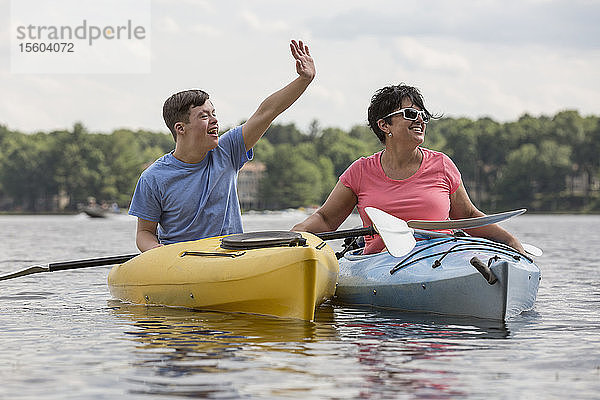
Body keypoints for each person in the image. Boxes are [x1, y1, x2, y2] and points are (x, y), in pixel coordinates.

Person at [292, 84, 525, 255]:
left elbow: (469, 217)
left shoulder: (443, 165)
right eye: (411, 114)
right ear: (384, 125)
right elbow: (325, 219)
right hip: (380, 264)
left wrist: (512, 242)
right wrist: (294, 235)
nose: (420, 121)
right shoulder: (360, 171)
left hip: (440, 259)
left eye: (423, 115)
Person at [129, 40, 315, 252]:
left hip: (231, 257)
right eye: (204, 116)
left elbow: (266, 112)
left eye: (214, 113)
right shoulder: (153, 178)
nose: (215, 120)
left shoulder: (227, 151)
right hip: (181, 263)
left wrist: (303, 80)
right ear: (181, 128)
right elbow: (144, 233)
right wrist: (159, 254)